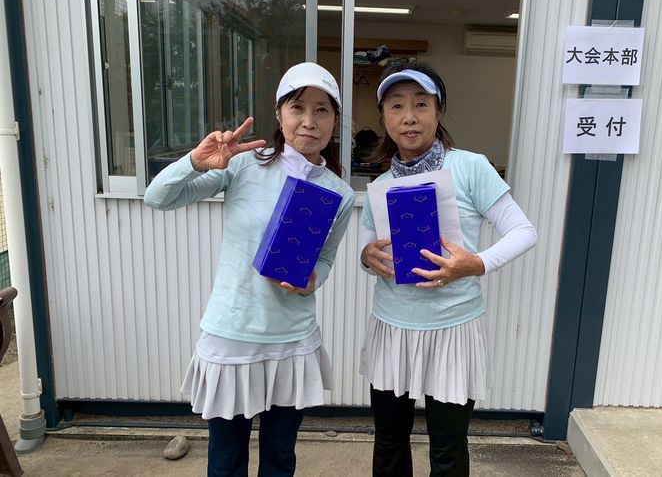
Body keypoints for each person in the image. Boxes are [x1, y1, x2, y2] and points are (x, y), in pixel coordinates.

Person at [144, 62, 355, 476]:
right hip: (233, 336)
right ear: (279, 114)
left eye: (322, 110)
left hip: (292, 341)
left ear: (334, 120)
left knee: (280, 457)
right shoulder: (244, 165)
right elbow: (157, 198)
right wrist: (195, 162)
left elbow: (326, 258)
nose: (309, 121)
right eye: (297, 108)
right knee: (226, 459)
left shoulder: (339, 193)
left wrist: (313, 280)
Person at [359, 61, 538, 476]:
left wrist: (476, 264)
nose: (409, 117)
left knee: (448, 446)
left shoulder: (470, 167)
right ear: (384, 117)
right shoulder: (381, 185)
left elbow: (523, 231)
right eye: (396, 106)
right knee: (389, 439)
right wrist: (367, 257)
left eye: (421, 104)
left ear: (438, 111)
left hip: (454, 329)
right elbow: (370, 256)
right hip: (393, 327)